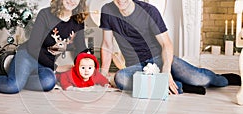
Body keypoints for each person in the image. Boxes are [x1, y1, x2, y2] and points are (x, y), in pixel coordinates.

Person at [0, 0, 88, 94]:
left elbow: (81, 48)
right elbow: (33, 47)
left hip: (44, 65)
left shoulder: (78, 20)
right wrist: (57, 68)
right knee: (12, 87)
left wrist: (90, 65)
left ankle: (21, 78)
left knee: (49, 82)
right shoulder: (45, 14)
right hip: (28, 55)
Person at [99, 0, 239, 95]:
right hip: (136, 66)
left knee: (202, 79)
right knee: (121, 79)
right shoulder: (107, 11)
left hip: (161, 59)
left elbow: (166, 44)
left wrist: (166, 70)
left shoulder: (149, 11)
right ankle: (180, 86)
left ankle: (223, 79)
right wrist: (104, 72)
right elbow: (107, 44)